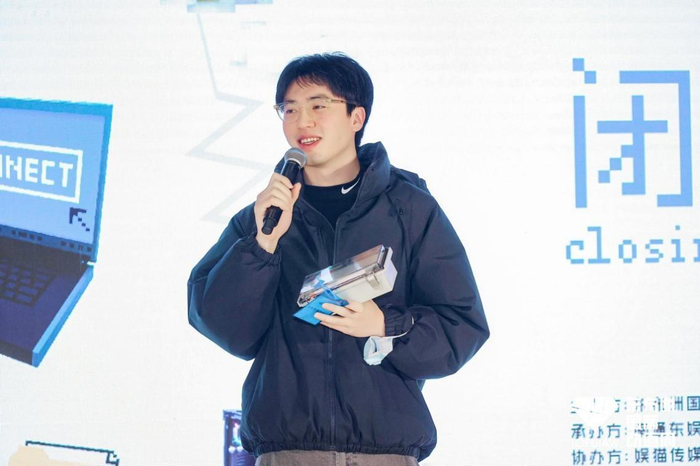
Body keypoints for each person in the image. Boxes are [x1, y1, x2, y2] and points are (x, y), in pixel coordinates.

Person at [188, 52, 489, 466]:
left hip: (384, 454)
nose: (302, 122)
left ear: (356, 117)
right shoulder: (263, 216)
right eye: (289, 109)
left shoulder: (410, 209)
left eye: (318, 106)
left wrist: (385, 326)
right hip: (287, 453)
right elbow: (226, 328)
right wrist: (262, 246)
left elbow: (462, 325)